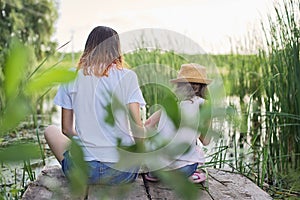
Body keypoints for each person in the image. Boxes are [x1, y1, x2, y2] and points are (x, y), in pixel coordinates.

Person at [44, 26, 146, 185]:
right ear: (116, 49)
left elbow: (66, 130)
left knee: (50, 130)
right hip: (122, 173)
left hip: (84, 173)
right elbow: (137, 129)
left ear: (89, 47)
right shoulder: (128, 76)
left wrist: (89, 139)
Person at [144, 63, 212, 183]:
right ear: (203, 87)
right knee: (195, 154)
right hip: (182, 170)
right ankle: (187, 176)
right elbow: (206, 141)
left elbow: (148, 124)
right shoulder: (202, 105)